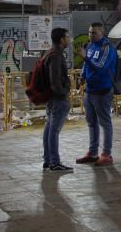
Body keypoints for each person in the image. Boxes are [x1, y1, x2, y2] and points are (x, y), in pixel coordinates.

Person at [76, 23, 116, 165]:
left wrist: (85, 58)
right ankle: (93, 152)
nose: (90, 35)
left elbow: (100, 67)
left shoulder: (107, 48)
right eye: (89, 32)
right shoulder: (91, 46)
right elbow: (86, 65)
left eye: (93, 33)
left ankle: (106, 154)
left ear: (102, 33)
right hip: (90, 90)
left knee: (105, 123)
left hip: (102, 90)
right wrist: (82, 75)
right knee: (91, 123)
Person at [43, 27, 73, 171]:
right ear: (61, 39)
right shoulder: (56, 55)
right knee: (53, 130)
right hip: (57, 99)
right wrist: (64, 92)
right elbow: (55, 79)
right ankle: (54, 162)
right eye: (67, 37)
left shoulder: (51, 53)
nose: (69, 39)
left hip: (52, 98)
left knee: (49, 129)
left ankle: (48, 160)